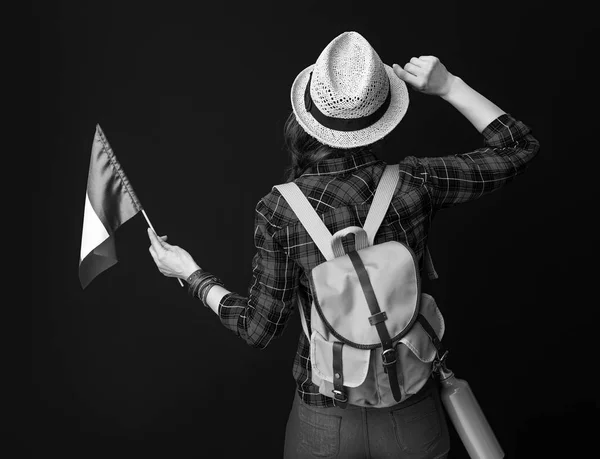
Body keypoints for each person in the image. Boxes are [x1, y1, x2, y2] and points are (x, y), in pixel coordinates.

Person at [147, 31, 539, 458]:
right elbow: (519, 145)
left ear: (308, 113)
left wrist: (191, 275)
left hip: (324, 419)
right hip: (409, 408)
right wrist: (448, 85)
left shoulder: (281, 208)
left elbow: (258, 329)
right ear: (382, 115)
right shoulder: (416, 182)